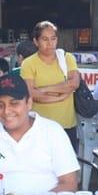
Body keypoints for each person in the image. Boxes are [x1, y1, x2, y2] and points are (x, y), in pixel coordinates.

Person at [0, 74, 79, 195]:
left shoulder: (52, 131)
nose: (7, 111)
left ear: (29, 103)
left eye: (14, 103)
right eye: (0, 105)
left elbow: (69, 183)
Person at [20, 21, 81, 151]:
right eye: (45, 39)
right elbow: (32, 94)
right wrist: (59, 97)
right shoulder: (28, 64)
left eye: (53, 39)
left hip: (66, 125)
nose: (50, 43)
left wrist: (45, 89)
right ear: (36, 41)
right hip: (39, 128)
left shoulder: (67, 58)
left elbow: (73, 83)